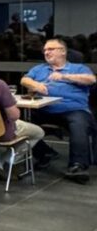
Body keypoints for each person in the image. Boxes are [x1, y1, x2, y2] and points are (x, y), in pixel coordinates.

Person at [18, 42, 94, 179]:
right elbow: (24, 80)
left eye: (51, 49)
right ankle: (44, 153)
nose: (46, 52)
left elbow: (91, 79)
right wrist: (35, 84)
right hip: (43, 108)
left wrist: (65, 76)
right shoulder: (39, 69)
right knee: (17, 121)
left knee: (79, 124)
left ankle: (77, 166)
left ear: (63, 51)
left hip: (73, 109)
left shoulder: (78, 68)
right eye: (45, 50)